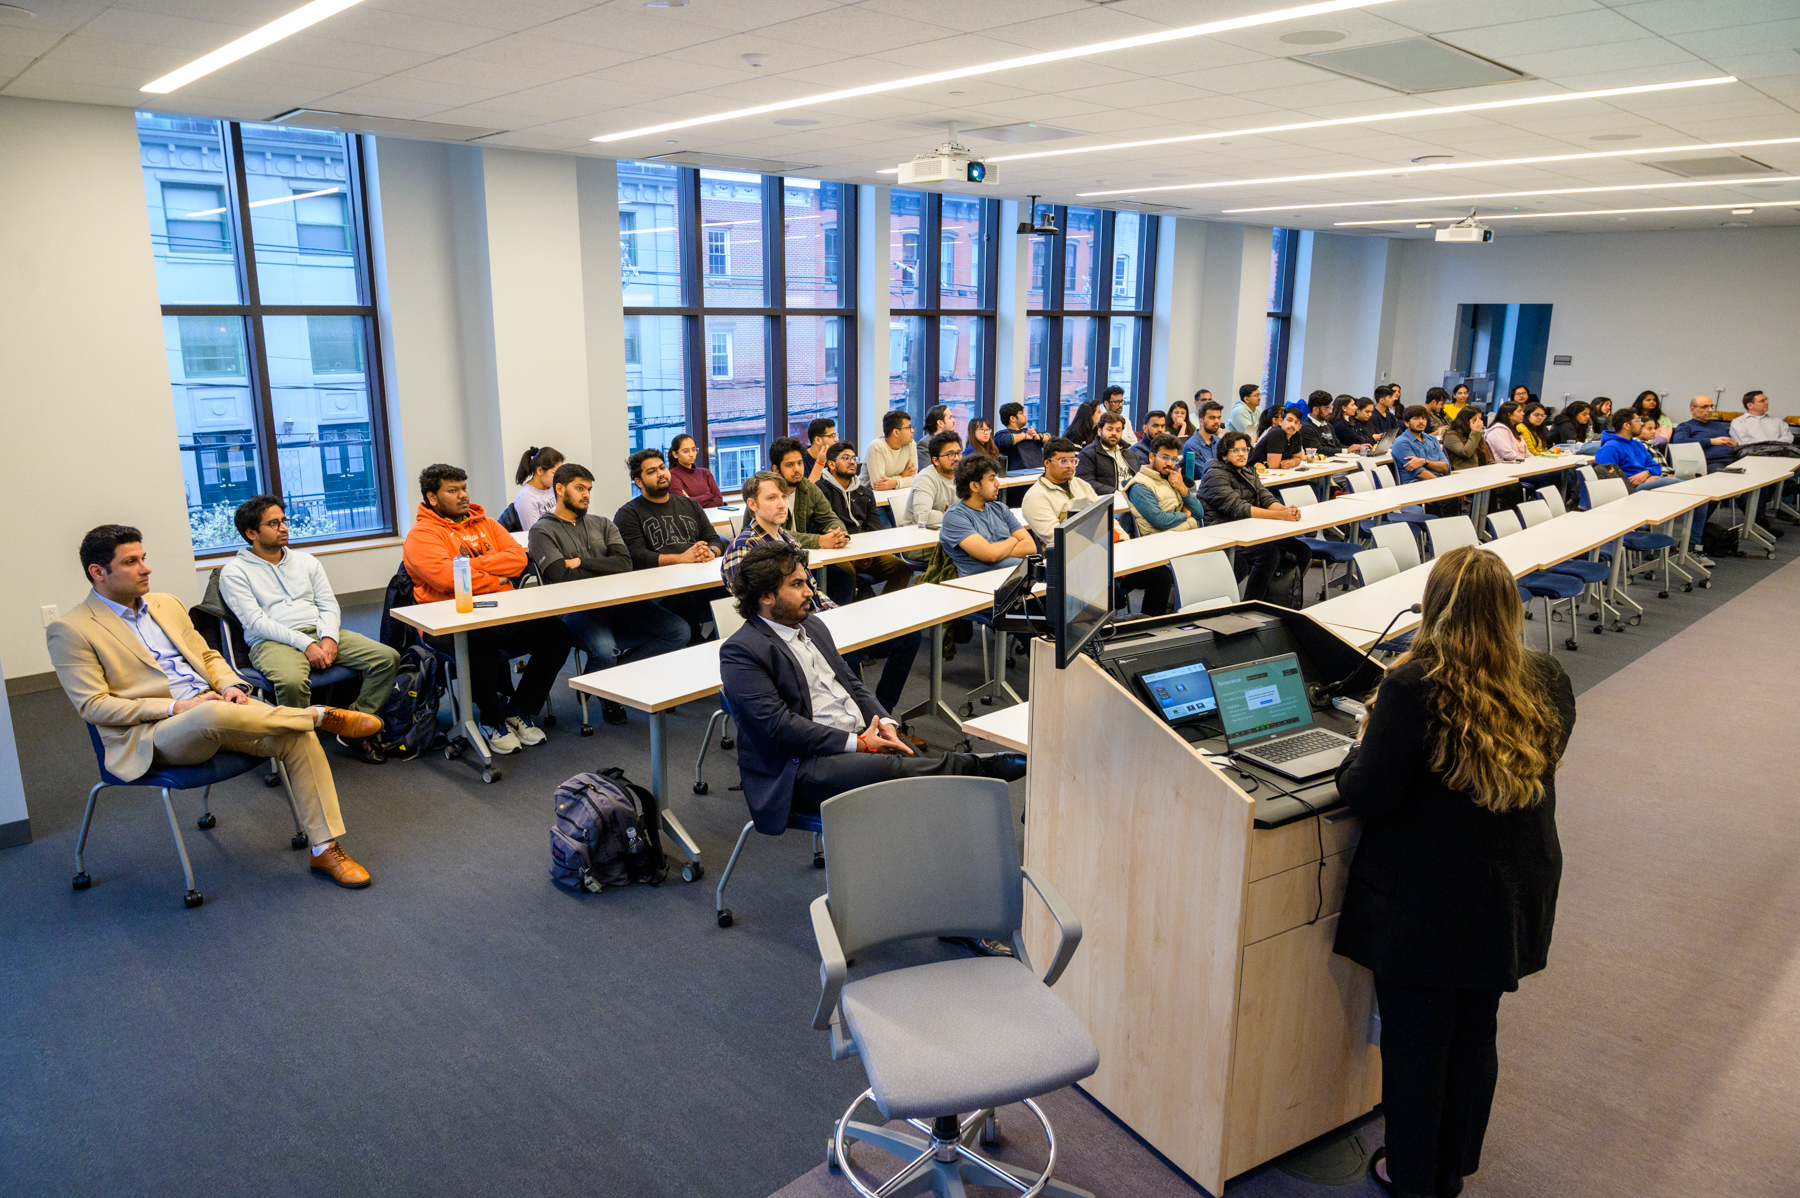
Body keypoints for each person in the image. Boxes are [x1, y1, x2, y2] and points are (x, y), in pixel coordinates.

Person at [1334, 545, 1575, 1198]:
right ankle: (1451, 1170)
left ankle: (1414, 1178)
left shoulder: (1414, 686)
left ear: (1432, 608)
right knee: (1474, 1034)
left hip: (1425, 903)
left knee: (1417, 1047)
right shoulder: (1547, 676)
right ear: (1509, 609)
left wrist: (1355, 749)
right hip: (1510, 894)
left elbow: (1369, 792)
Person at [51, 525, 380, 888]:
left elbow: (207, 655)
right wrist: (178, 707)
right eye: (131, 562)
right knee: (212, 712)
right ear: (98, 572)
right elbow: (94, 706)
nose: (146, 568)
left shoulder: (165, 604)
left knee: (295, 736)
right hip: (155, 734)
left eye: (143, 558)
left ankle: (324, 848)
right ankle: (317, 716)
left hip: (222, 712)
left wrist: (233, 686)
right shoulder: (72, 629)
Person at [717, 539, 1024, 836]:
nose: (810, 591)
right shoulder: (742, 651)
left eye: (807, 581)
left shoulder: (812, 625)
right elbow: (780, 727)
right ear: (766, 596)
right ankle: (981, 769)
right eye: (797, 585)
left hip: (861, 736)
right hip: (799, 767)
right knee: (898, 770)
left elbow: (851, 683)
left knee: (915, 769)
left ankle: (947, 839)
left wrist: (886, 723)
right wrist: (859, 743)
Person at [403, 464, 572, 753]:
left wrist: (466, 567)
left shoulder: (488, 523)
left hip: (500, 611)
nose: (463, 495)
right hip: (446, 622)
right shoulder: (421, 536)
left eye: (464, 488)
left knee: (558, 634)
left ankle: (517, 710)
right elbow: (448, 579)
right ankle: (491, 720)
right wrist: (495, 575)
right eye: (453, 490)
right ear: (432, 497)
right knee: (477, 640)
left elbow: (518, 561)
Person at [219, 496, 399, 764]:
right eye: (273, 523)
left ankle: (351, 728)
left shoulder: (306, 561)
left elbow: (328, 604)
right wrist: (306, 644)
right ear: (251, 533)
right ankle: (300, 747)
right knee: (291, 681)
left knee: (387, 658)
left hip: (318, 632)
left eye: (284, 521)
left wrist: (329, 637)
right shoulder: (233, 572)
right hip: (270, 642)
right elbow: (256, 622)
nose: (284, 528)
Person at [723, 473, 921, 714]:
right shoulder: (745, 546)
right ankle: (866, 722)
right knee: (846, 658)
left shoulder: (789, 540)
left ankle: (882, 715)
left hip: (815, 621)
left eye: (784, 496)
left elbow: (813, 591)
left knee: (908, 636)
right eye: (772, 497)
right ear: (752, 504)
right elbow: (753, 605)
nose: (781, 503)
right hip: (788, 633)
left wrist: (837, 615)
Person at [528, 463, 689, 726]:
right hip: (577, 609)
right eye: (579, 488)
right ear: (559, 489)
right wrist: (601, 567)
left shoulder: (602, 523)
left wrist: (579, 561)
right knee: (604, 651)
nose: (586, 495)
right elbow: (559, 574)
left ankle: (602, 679)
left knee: (678, 630)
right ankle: (608, 692)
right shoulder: (542, 530)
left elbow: (624, 564)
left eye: (589, 489)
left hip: (620, 603)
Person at [1027, 439, 1175, 617]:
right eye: (1063, 461)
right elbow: (1059, 539)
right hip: (1074, 566)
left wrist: (1123, 542)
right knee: (1106, 591)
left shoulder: (1082, 485)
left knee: (1161, 576)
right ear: (1047, 463)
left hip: (1107, 555)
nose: (1069, 466)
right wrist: (1105, 546)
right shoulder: (1035, 497)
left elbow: (1107, 518)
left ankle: (1147, 626)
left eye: (1073, 460)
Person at [613, 448, 727, 642]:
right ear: (638, 482)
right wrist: (681, 559)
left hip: (698, 580)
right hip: (661, 590)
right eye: (651, 471)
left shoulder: (690, 505)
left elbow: (714, 539)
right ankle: (697, 648)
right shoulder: (628, 513)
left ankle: (719, 646)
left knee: (737, 589)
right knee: (683, 599)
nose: (661, 474)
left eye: (662, 468)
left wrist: (711, 552)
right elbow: (636, 556)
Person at [1199, 431, 1312, 602]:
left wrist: (1286, 510)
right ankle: (1252, 604)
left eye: (1245, 449)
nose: (1242, 454)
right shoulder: (1214, 475)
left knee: (1302, 550)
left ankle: (1278, 598)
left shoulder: (1248, 471)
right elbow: (1238, 508)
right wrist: (1279, 515)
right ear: (1224, 455)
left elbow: (1265, 497)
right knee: (1268, 554)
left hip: (1250, 530)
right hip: (1224, 533)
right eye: (1235, 450)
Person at [817, 440, 916, 598]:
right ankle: (848, 613)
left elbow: (874, 527)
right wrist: (854, 555)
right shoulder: (820, 491)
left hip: (865, 551)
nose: (852, 463)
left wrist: (867, 552)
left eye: (854, 459)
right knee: (846, 573)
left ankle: (883, 610)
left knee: (902, 569)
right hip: (836, 550)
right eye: (846, 458)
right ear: (832, 464)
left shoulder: (865, 493)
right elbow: (821, 526)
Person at [940, 455, 1038, 577]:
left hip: (1018, 577)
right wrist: (1013, 539)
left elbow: (1030, 547)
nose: (997, 483)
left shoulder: (1000, 508)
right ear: (975, 486)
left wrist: (995, 550)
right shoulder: (955, 516)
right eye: (991, 479)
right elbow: (990, 555)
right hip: (983, 584)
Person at [769, 436, 851, 553]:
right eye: (790, 465)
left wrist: (840, 535)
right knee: (845, 571)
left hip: (804, 553)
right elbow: (775, 533)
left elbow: (829, 518)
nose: (797, 469)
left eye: (800, 463)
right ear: (776, 469)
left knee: (848, 570)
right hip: (774, 557)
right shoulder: (766, 493)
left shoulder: (808, 488)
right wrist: (818, 540)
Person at [1127, 433, 1207, 536]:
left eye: (1174, 459)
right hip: (1162, 542)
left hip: (1186, 535)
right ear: (1151, 457)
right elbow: (1160, 521)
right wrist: (1185, 514)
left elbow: (1199, 513)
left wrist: (1183, 489)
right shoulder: (1140, 485)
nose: (1170, 463)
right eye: (1165, 458)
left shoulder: (1171, 478)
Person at [1075, 410, 1138, 495]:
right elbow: (1086, 482)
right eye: (1110, 429)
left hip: (1132, 499)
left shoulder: (1129, 453)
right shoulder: (1087, 454)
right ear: (1100, 431)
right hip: (1107, 502)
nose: (1114, 433)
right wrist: (1115, 493)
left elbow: (1139, 477)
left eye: (1118, 430)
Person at [1671, 395, 1739, 471]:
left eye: (1711, 406)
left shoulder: (1719, 426)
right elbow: (1680, 442)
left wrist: (1735, 444)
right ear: (1692, 409)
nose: (1710, 410)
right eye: (1705, 407)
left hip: (1733, 460)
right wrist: (1711, 441)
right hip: (1709, 464)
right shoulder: (1685, 426)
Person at [910, 431, 962, 530]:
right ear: (935, 461)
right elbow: (922, 516)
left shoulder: (961, 475)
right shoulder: (926, 478)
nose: (956, 458)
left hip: (948, 530)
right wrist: (951, 513)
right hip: (918, 534)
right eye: (950, 454)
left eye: (958, 453)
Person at [1392, 405, 1452, 484]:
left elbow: (1446, 467)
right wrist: (1443, 485)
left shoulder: (1432, 439)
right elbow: (1420, 473)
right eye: (1416, 418)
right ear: (1407, 423)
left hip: (1437, 480)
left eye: (1423, 418)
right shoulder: (1401, 442)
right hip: (1416, 484)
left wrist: (1425, 462)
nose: (1421, 421)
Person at [510, 445, 564, 531]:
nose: (559, 477)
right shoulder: (526, 497)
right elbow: (534, 534)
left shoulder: (552, 487)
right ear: (540, 471)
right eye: (554, 473)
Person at [666, 433, 726, 507]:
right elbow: (683, 505)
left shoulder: (705, 473)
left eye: (693, 450)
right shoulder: (672, 475)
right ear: (675, 454)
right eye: (685, 451)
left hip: (712, 517)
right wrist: (708, 496)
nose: (691, 454)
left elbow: (719, 501)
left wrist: (691, 500)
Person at [864, 410, 918, 491]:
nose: (912, 430)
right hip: (869, 496)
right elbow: (878, 484)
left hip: (896, 493)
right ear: (896, 432)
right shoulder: (877, 447)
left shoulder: (911, 444)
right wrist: (902, 476)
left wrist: (894, 483)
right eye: (908, 428)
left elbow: (914, 478)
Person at [994, 401, 1044, 473]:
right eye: (1021, 413)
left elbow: (1050, 438)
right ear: (1013, 418)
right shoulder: (1002, 434)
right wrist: (1025, 436)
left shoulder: (1029, 431)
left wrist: (1038, 436)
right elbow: (1007, 440)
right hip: (1017, 475)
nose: (1025, 415)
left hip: (1038, 471)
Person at [1251, 406, 1306, 470]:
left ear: (1299, 427)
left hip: (1272, 474)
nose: (1292, 425)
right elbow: (1273, 465)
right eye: (1289, 420)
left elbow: (1298, 458)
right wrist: (1290, 461)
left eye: (1296, 422)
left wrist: (1291, 462)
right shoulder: (1277, 433)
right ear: (1281, 421)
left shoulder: (1296, 435)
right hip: (1253, 472)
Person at [1441, 408, 1493, 472]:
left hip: (1479, 471)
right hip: (1460, 473)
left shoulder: (1475, 434)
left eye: (1480, 420)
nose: (1479, 423)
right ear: (1466, 421)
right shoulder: (1451, 436)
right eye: (1475, 420)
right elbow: (1466, 453)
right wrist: (1475, 432)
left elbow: (1487, 456)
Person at [1184, 399, 1226, 478]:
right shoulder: (1192, 446)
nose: (1217, 421)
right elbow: (1206, 475)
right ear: (1201, 421)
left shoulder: (1219, 441)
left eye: (1218, 418)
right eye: (1212, 418)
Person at [1301, 391, 1343, 456]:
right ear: (1315, 410)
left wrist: (1352, 449)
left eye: (1331, 408)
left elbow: (1337, 445)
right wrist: (1344, 451)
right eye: (1327, 409)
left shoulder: (1328, 425)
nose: (1331, 411)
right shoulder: (1306, 427)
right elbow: (1318, 450)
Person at [917, 405, 955, 471]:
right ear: (940, 423)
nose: (953, 420)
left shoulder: (952, 441)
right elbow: (927, 472)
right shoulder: (925, 444)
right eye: (950, 418)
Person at [805, 418, 837, 483]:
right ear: (818, 440)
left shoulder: (832, 458)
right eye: (832, 436)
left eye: (835, 435)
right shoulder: (800, 461)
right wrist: (820, 462)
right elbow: (808, 491)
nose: (837, 439)